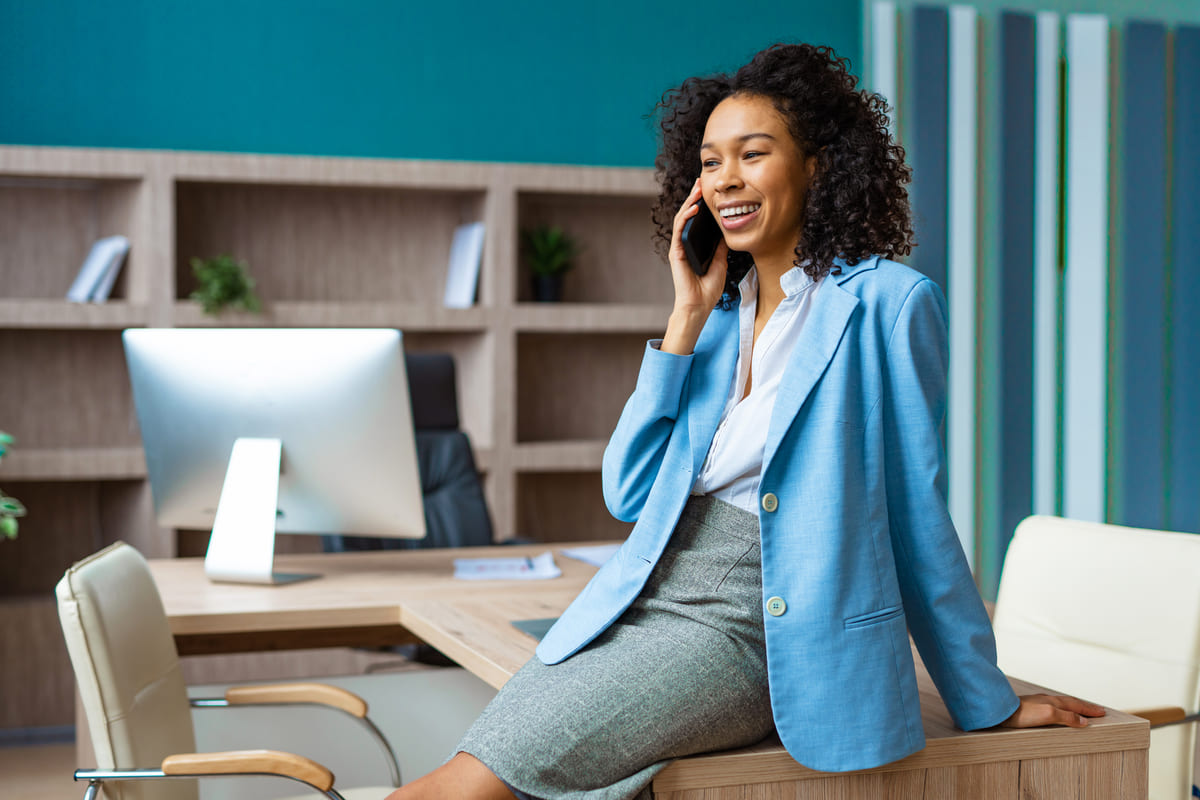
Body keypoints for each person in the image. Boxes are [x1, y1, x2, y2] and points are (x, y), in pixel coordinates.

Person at [387, 42, 1105, 800]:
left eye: (752, 154)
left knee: (463, 789)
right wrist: (683, 322)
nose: (725, 178)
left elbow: (916, 515)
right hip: (644, 597)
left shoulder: (889, 305)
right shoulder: (718, 316)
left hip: (758, 627)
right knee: (466, 777)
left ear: (818, 164)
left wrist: (984, 704)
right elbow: (628, 492)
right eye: (709, 161)